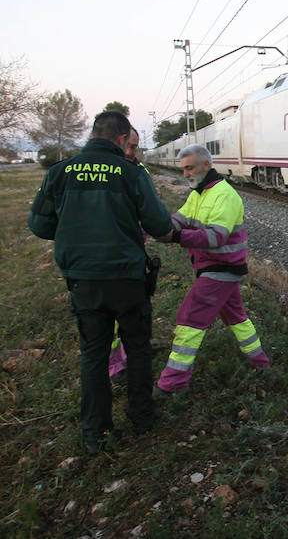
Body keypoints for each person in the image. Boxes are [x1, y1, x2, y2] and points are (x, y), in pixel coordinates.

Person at [28, 112, 173, 454]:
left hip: (84, 282)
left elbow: (39, 225)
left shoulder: (59, 172)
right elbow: (158, 223)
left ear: (94, 134)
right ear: (123, 140)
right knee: (137, 348)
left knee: (93, 355)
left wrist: (72, 231)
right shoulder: (131, 173)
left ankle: (96, 434)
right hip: (127, 279)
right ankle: (142, 418)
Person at [154, 143, 270, 397]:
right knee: (236, 316)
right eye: (183, 169)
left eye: (189, 168)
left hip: (221, 268)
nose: (185, 174)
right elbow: (179, 219)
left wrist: (174, 237)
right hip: (215, 267)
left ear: (206, 165)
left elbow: (216, 237)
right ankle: (260, 362)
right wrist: (155, 225)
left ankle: (173, 382)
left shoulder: (224, 195)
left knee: (190, 319)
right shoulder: (199, 193)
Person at [109, 128, 151, 384]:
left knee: (136, 311)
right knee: (113, 319)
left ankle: (128, 356)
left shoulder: (138, 169)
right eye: (131, 146)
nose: (133, 153)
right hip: (110, 257)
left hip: (134, 253)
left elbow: (150, 204)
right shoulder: (104, 171)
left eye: (136, 147)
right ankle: (115, 366)